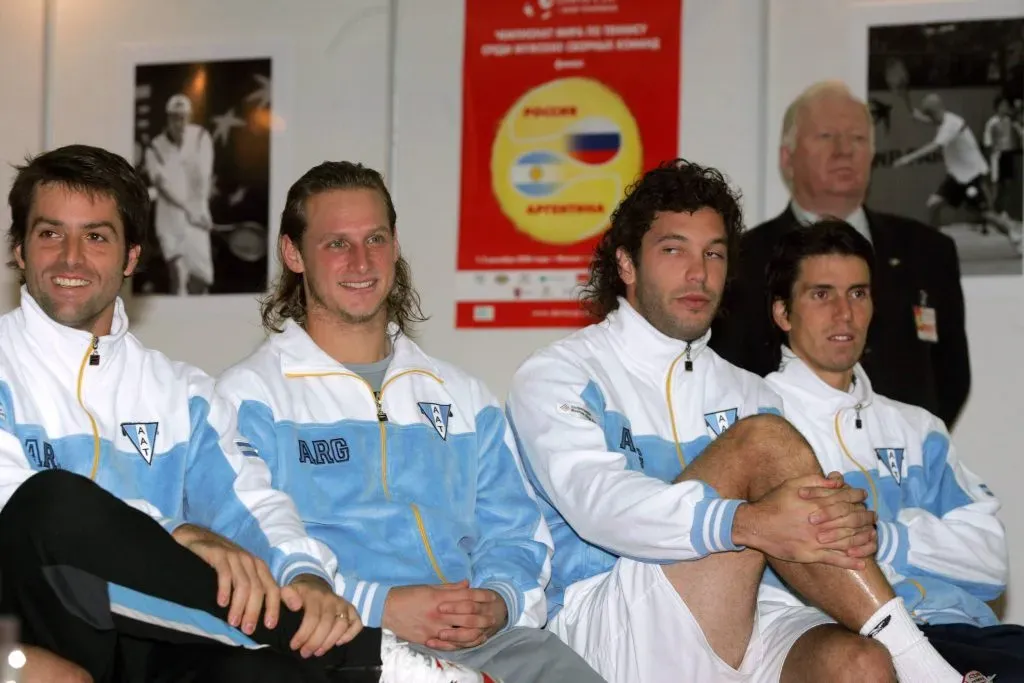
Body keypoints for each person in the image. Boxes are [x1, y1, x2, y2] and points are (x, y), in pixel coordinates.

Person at [0, 144, 489, 683]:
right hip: (22, 621)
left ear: (131, 257)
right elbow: (16, 505)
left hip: (147, 640)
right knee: (49, 503)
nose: (71, 258)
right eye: (50, 234)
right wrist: (177, 532)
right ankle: (364, 657)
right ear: (20, 249)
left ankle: (342, 653)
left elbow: (251, 505)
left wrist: (305, 578)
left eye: (96, 237)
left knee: (267, 674)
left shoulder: (182, 390)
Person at [506, 158, 984, 683]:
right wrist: (745, 521)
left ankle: (908, 659)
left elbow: (797, 531)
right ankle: (931, 673)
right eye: (674, 250)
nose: (698, 273)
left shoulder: (749, 390)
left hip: (746, 610)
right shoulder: (560, 373)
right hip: (611, 622)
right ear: (626, 264)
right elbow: (600, 505)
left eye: (713, 253)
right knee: (761, 442)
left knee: (858, 664)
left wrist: (837, 521)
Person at [215, 160, 603, 683]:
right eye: (336, 243)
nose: (361, 261)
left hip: (482, 645)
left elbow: (517, 534)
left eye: (375, 239)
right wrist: (380, 606)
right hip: (336, 641)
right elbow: (247, 543)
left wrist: (498, 601)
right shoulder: (247, 397)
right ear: (293, 253)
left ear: (396, 245)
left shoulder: (464, 397)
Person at [762, 218, 1023, 679]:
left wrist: (889, 538)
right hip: (846, 638)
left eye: (858, 293)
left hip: (961, 629)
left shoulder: (918, 427)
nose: (844, 313)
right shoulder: (757, 418)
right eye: (821, 294)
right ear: (783, 313)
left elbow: (990, 563)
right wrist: (930, 536)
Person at [710, 80, 972, 429]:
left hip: (906, 456)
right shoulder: (740, 260)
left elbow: (951, 375)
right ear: (787, 158)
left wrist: (909, 446)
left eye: (858, 138)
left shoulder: (928, 251)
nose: (844, 150)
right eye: (826, 136)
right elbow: (726, 378)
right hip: (784, 457)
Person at [893, 92, 1022, 254]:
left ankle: (1017, 236)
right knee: (933, 204)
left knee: (986, 214)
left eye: (929, 115)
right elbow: (917, 116)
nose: (928, 119)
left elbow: (935, 146)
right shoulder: (941, 120)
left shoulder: (951, 124)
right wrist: (906, 100)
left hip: (972, 175)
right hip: (956, 176)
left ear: (935, 112)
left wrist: (908, 159)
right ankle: (934, 245)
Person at [144, 93, 216, 295]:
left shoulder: (201, 137)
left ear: (189, 117)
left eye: (183, 117)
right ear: (168, 119)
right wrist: (187, 209)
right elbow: (162, 187)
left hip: (197, 222)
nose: (180, 122)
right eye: (175, 118)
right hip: (169, 222)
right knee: (179, 277)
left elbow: (203, 177)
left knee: (201, 282)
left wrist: (201, 210)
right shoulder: (154, 148)